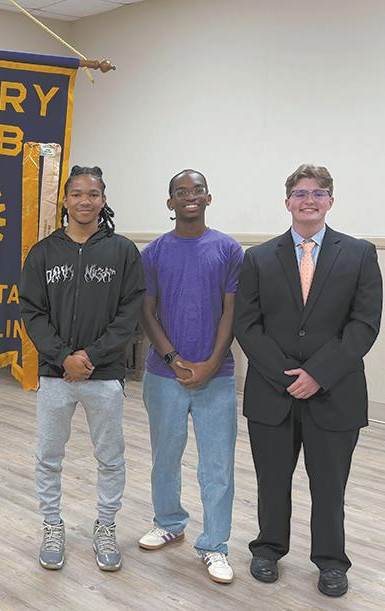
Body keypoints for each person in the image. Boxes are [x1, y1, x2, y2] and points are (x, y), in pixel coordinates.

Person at [234, 164, 382, 597]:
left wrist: (318, 374)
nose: (309, 200)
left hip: (335, 393)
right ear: (287, 202)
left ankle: (331, 561)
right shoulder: (258, 258)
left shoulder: (359, 254)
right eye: (300, 193)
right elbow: (247, 325)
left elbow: (364, 324)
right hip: (272, 392)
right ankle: (268, 548)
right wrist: (287, 377)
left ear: (330, 201)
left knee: (330, 486)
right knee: (272, 481)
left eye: (318, 193)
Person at [19, 165, 144, 572]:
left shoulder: (122, 251)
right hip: (55, 376)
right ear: (65, 200)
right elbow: (32, 312)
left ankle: (105, 526)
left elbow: (129, 313)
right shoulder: (43, 253)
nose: (85, 201)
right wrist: (63, 357)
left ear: (103, 200)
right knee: (48, 455)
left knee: (110, 456)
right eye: (77, 194)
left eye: (93, 194)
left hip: (103, 377)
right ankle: (52, 525)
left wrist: (90, 357)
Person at [137, 169, 243, 584]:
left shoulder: (229, 250)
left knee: (217, 465)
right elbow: (147, 312)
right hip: (164, 375)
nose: (190, 196)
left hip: (218, 376)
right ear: (170, 203)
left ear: (209, 197)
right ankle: (169, 522)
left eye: (197, 190)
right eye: (181, 192)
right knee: (165, 457)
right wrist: (173, 358)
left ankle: (215, 544)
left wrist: (212, 363)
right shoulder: (153, 253)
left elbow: (232, 312)